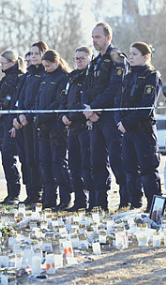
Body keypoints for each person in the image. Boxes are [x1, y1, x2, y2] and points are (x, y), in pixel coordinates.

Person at [82, 22, 129, 211]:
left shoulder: (117, 59)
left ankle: (126, 201)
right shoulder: (95, 61)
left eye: (98, 37)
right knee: (97, 161)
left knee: (118, 160)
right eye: (93, 37)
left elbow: (114, 88)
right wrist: (88, 108)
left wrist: (94, 107)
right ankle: (100, 204)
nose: (94, 41)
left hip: (110, 116)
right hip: (94, 118)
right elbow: (85, 88)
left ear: (108, 38)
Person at [115, 42, 162, 210]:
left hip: (143, 131)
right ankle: (135, 205)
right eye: (130, 53)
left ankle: (154, 208)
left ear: (146, 57)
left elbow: (146, 106)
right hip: (127, 132)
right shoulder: (127, 77)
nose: (131, 57)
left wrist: (126, 122)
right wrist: (119, 121)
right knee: (130, 170)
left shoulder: (152, 76)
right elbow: (117, 102)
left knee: (148, 171)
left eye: (135, 54)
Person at [34, 50, 72, 210]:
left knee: (58, 165)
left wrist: (42, 116)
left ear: (56, 62)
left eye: (48, 66)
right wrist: (37, 116)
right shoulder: (44, 78)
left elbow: (58, 102)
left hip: (57, 128)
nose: (46, 69)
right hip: (43, 128)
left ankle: (65, 200)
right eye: (44, 66)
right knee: (45, 164)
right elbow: (38, 99)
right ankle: (49, 200)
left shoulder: (63, 79)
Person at [60, 47, 93, 211]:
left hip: (84, 128)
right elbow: (64, 99)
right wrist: (64, 115)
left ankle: (89, 201)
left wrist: (72, 116)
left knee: (87, 166)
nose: (79, 61)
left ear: (89, 59)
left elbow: (86, 102)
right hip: (71, 128)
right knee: (73, 167)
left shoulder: (90, 76)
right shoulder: (71, 78)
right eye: (77, 59)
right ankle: (79, 201)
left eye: (82, 58)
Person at [16, 41, 49, 206]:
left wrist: (28, 116)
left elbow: (40, 100)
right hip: (25, 123)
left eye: (36, 53)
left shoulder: (45, 74)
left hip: (38, 122)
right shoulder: (28, 75)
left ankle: (43, 193)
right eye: (31, 54)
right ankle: (32, 194)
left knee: (39, 158)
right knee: (29, 159)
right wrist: (20, 114)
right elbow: (21, 97)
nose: (33, 56)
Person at [0, 50, 25, 205]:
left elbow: (17, 102)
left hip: (13, 123)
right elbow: (0, 104)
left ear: (13, 62)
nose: (1, 66)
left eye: (3, 63)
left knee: (9, 157)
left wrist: (14, 122)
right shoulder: (6, 79)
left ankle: (15, 193)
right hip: (3, 122)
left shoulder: (19, 78)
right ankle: (10, 193)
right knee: (5, 158)